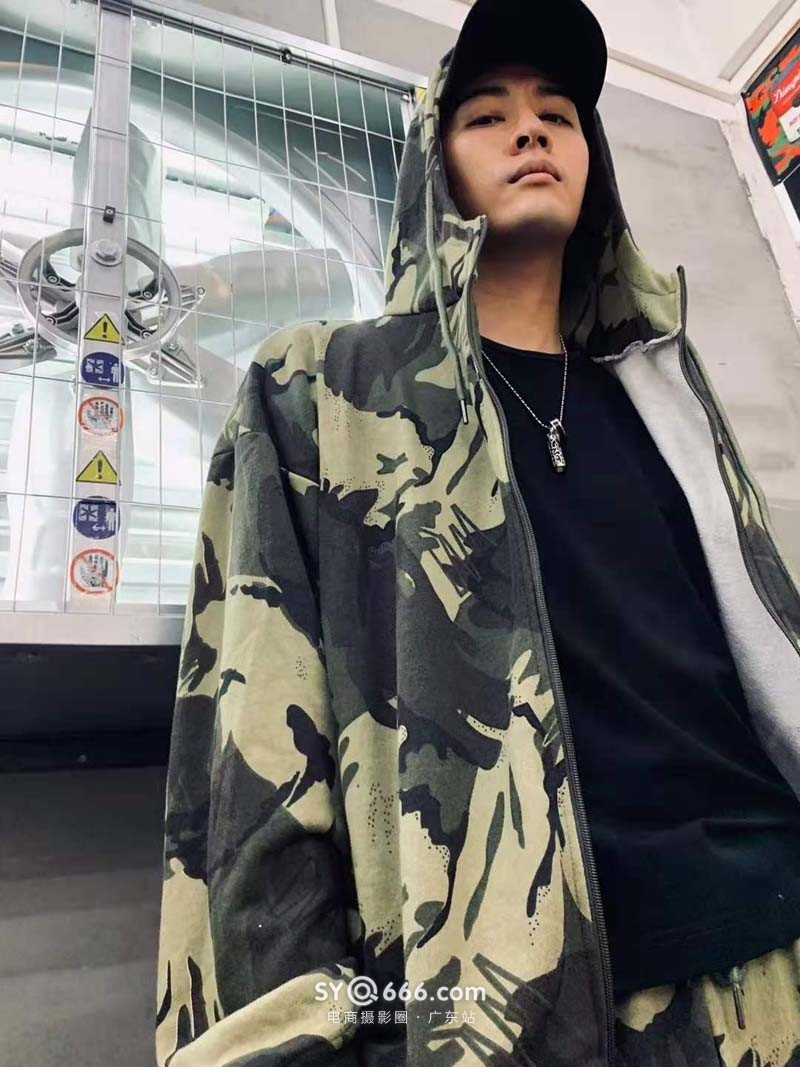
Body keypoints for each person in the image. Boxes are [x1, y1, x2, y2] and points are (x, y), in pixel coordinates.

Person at [155, 1, 800, 1064]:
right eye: (487, 114)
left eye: (559, 114)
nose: (530, 128)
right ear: (432, 163)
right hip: (527, 996)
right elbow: (256, 734)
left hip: (775, 939)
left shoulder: (668, 397)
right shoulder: (323, 386)